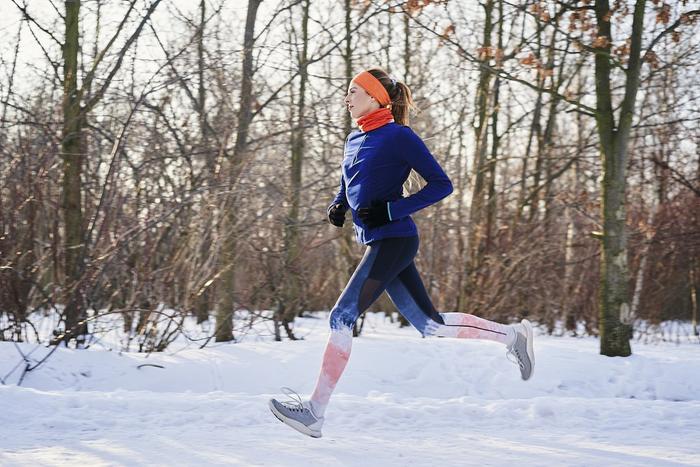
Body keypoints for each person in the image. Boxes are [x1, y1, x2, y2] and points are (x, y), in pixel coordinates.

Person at [269, 67, 534, 438]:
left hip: (396, 237)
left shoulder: (398, 136)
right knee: (431, 326)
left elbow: (442, 185)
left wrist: (393, 210)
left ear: (377, 97)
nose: (347, 98)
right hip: (379, 241)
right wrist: (338, 204)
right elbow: (350, 181)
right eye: (347, 93)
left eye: (353, 92)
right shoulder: (353, 138)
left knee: (341, 316)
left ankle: (315, 412)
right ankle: (512, 337)